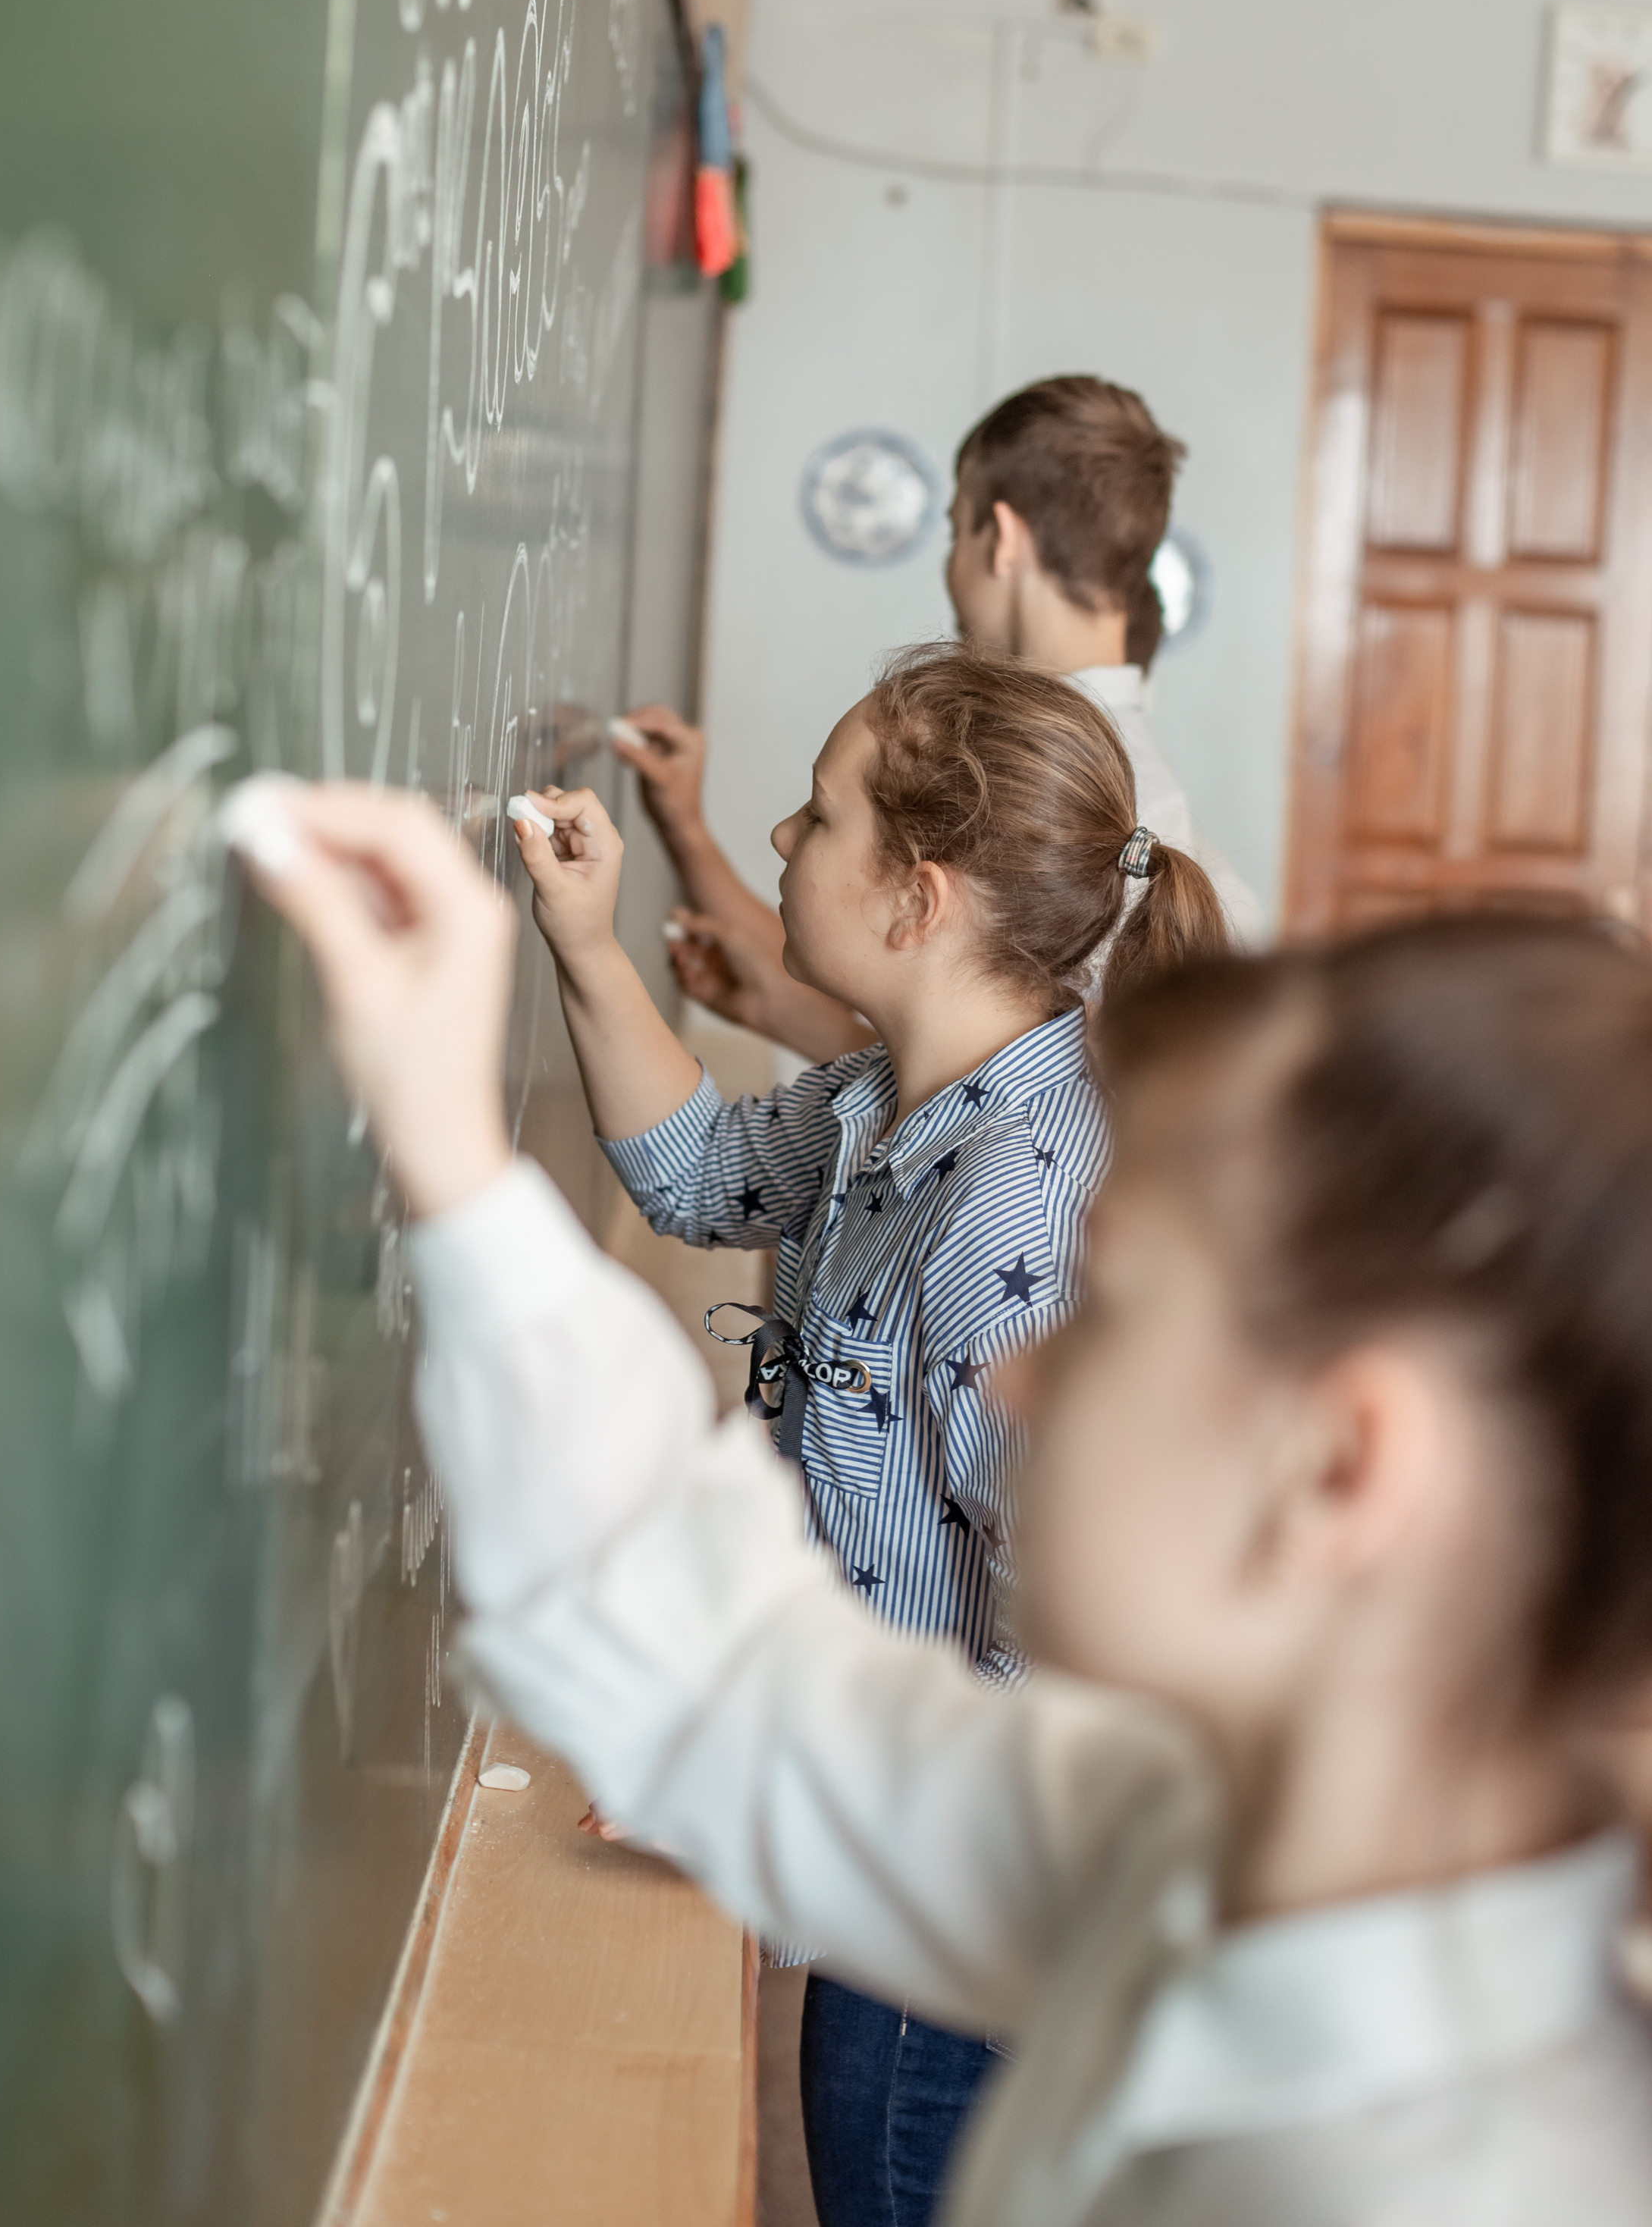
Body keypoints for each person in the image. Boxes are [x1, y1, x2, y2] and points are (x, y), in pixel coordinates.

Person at [231, 768, 1652, 2227]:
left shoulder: (1459, 2187)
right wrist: (449, 1157)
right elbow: (741, 1696)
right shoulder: (1171, 1852)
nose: (1018, 1383)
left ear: (1340, 1468)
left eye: (1111, 1309)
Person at [510, 642, 1224, 2227]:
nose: (779, 842)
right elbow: (695, 1175)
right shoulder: (882, 1105)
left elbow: (1074, 1640)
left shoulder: (1016, 1201)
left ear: (922, 896)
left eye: (817, 819)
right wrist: (582, 941)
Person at [616, 375, 1260, 1068]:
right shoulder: (1113, 778)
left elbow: (1013, 1094)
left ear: (1004, 539)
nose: (951, 570)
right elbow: (868, 938)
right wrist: (687, 828)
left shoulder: (1075, 797)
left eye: (957, 530)